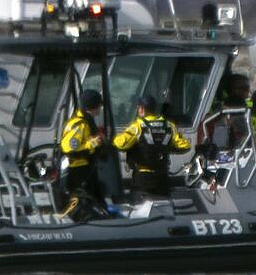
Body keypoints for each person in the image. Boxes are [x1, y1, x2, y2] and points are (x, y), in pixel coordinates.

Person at [111, 94, 192, 198]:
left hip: (143, 179)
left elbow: (120, 144)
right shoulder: (169, 126)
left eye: (138, 107)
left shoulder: (137, 126)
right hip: (162, 178)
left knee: (140, 211)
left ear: (142, 109)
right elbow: (185, 146)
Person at [59, 90, 108, 218]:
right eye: (99, 105)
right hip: (78, 172)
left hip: (86, 170)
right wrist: (92, 144)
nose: (100, 108)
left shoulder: (87, 121)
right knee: (83, 203)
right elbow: (70, 149)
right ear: (93, 106)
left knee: (97, 200)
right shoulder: (80, 124)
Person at [200, 73, 253, 155]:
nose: (247, 91)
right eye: (245, 88)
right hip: (231, 153)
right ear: (235, 90)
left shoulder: (220, 110)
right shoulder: (229, 113)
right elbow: (220, 143)